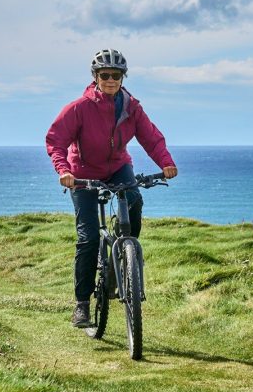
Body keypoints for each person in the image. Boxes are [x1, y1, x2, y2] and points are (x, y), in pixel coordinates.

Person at [46, 49, 177, 327]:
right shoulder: (79, 108)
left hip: (118, 167)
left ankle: (123, 258)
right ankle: (81, 305)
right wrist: (64, 170)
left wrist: (166, 162)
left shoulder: (131, 108)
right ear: (95, 77)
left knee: (135, 200)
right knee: (89, 238)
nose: (110, 80)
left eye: (115, 75)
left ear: (122, 78)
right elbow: (56, 140)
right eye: (104, 75)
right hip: (82, 174)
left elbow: (151, 138)